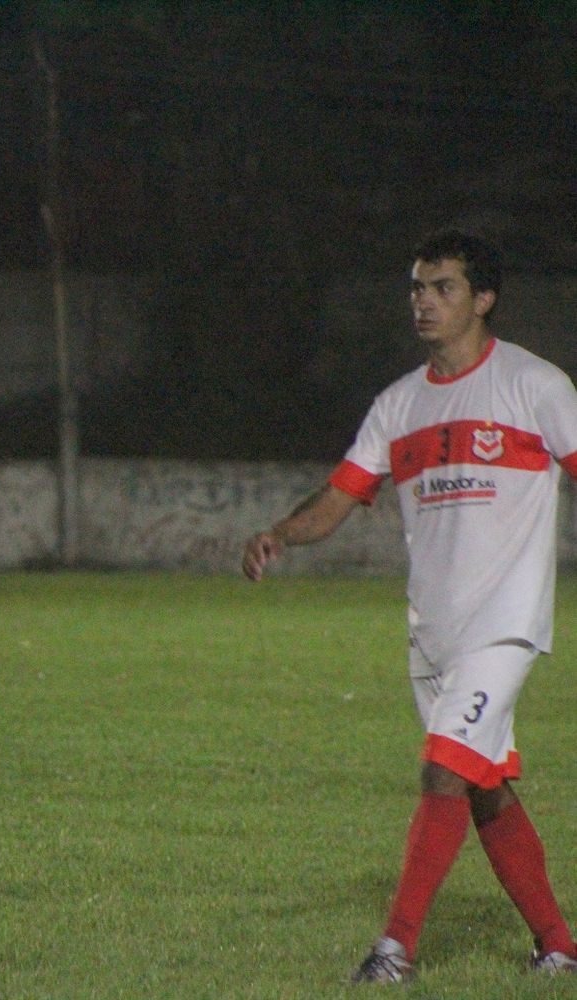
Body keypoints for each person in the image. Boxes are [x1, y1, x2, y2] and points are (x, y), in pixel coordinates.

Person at [242, 230, 577, 983]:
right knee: (484, 789)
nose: (424, 302)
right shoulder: (398, 404)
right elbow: (340, 496)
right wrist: (279, 535)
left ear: (483, 299)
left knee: (443, 772)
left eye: (443, 288)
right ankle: (557, 944)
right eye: (418, 289)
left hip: (505, 626)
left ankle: (395, 949)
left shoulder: (536, 386)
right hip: (434, 633)